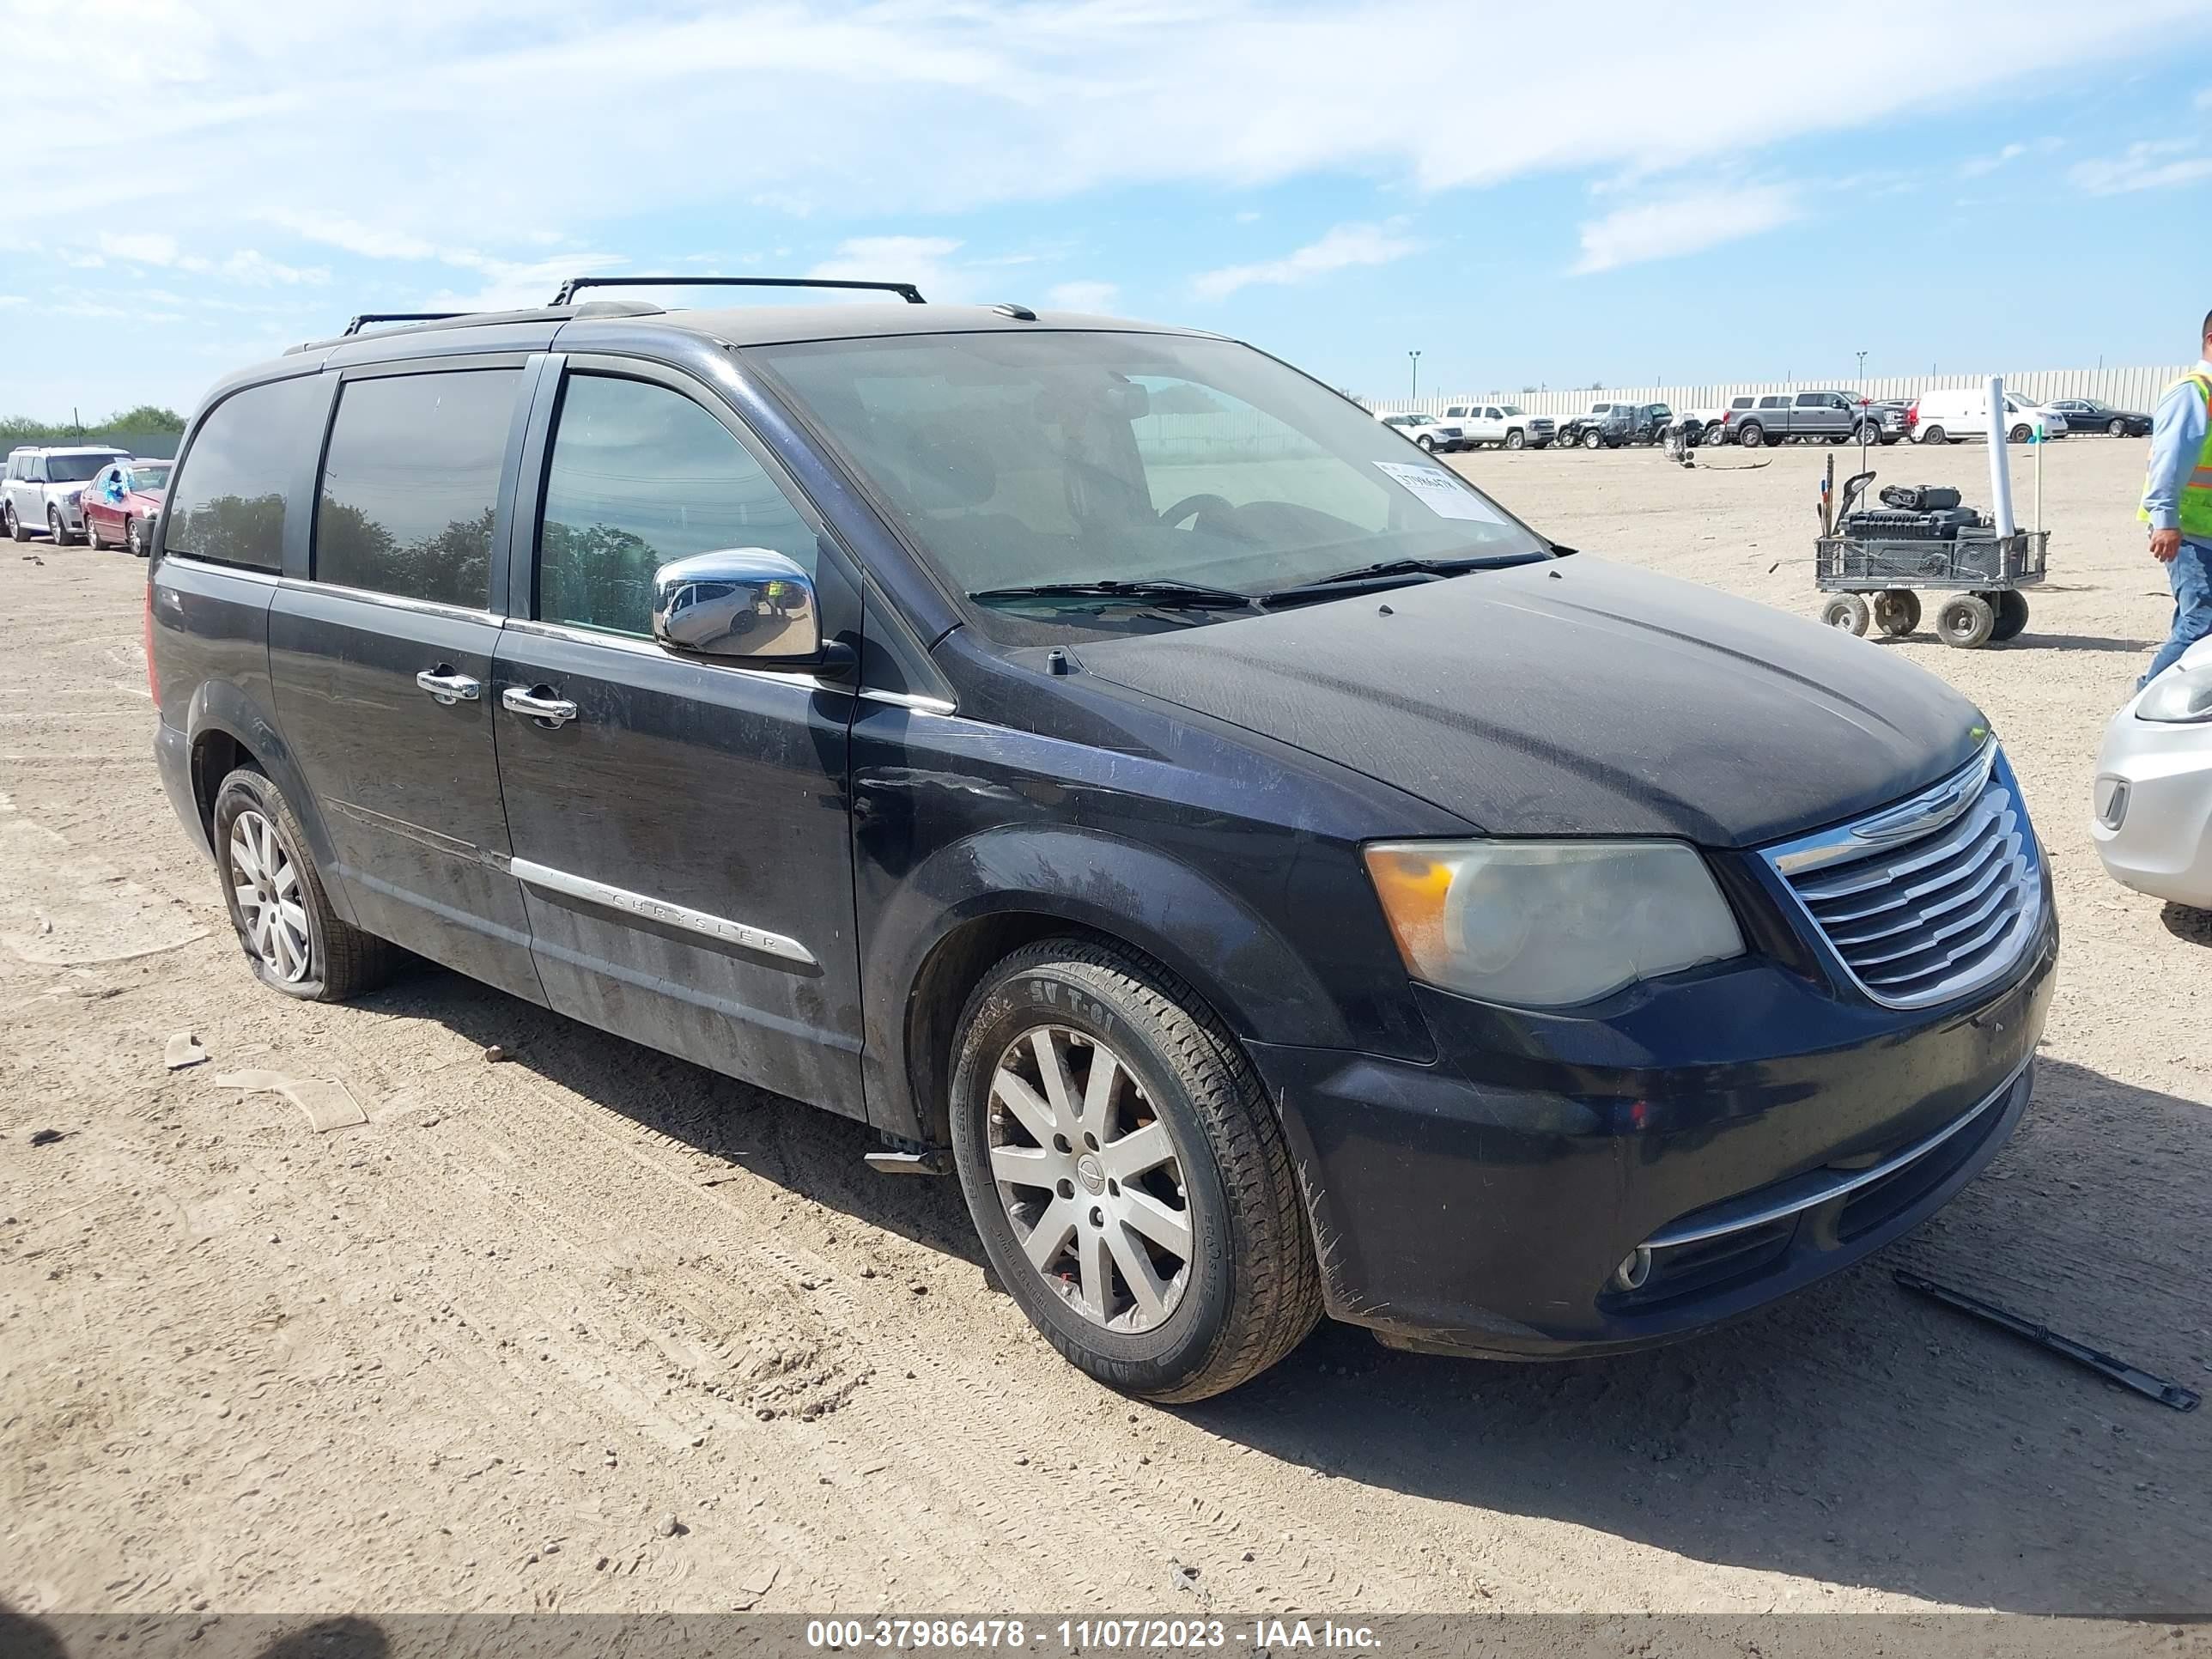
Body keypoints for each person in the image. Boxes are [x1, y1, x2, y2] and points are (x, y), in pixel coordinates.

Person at [2138, 309, 2212, 685]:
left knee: (2194, 618)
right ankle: (2145, 703)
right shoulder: (2193, 392)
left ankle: (2185, 701)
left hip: (2204, 532)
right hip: (2186, 531)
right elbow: (2167, 462)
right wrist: (2165, 521)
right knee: (2202, 622)